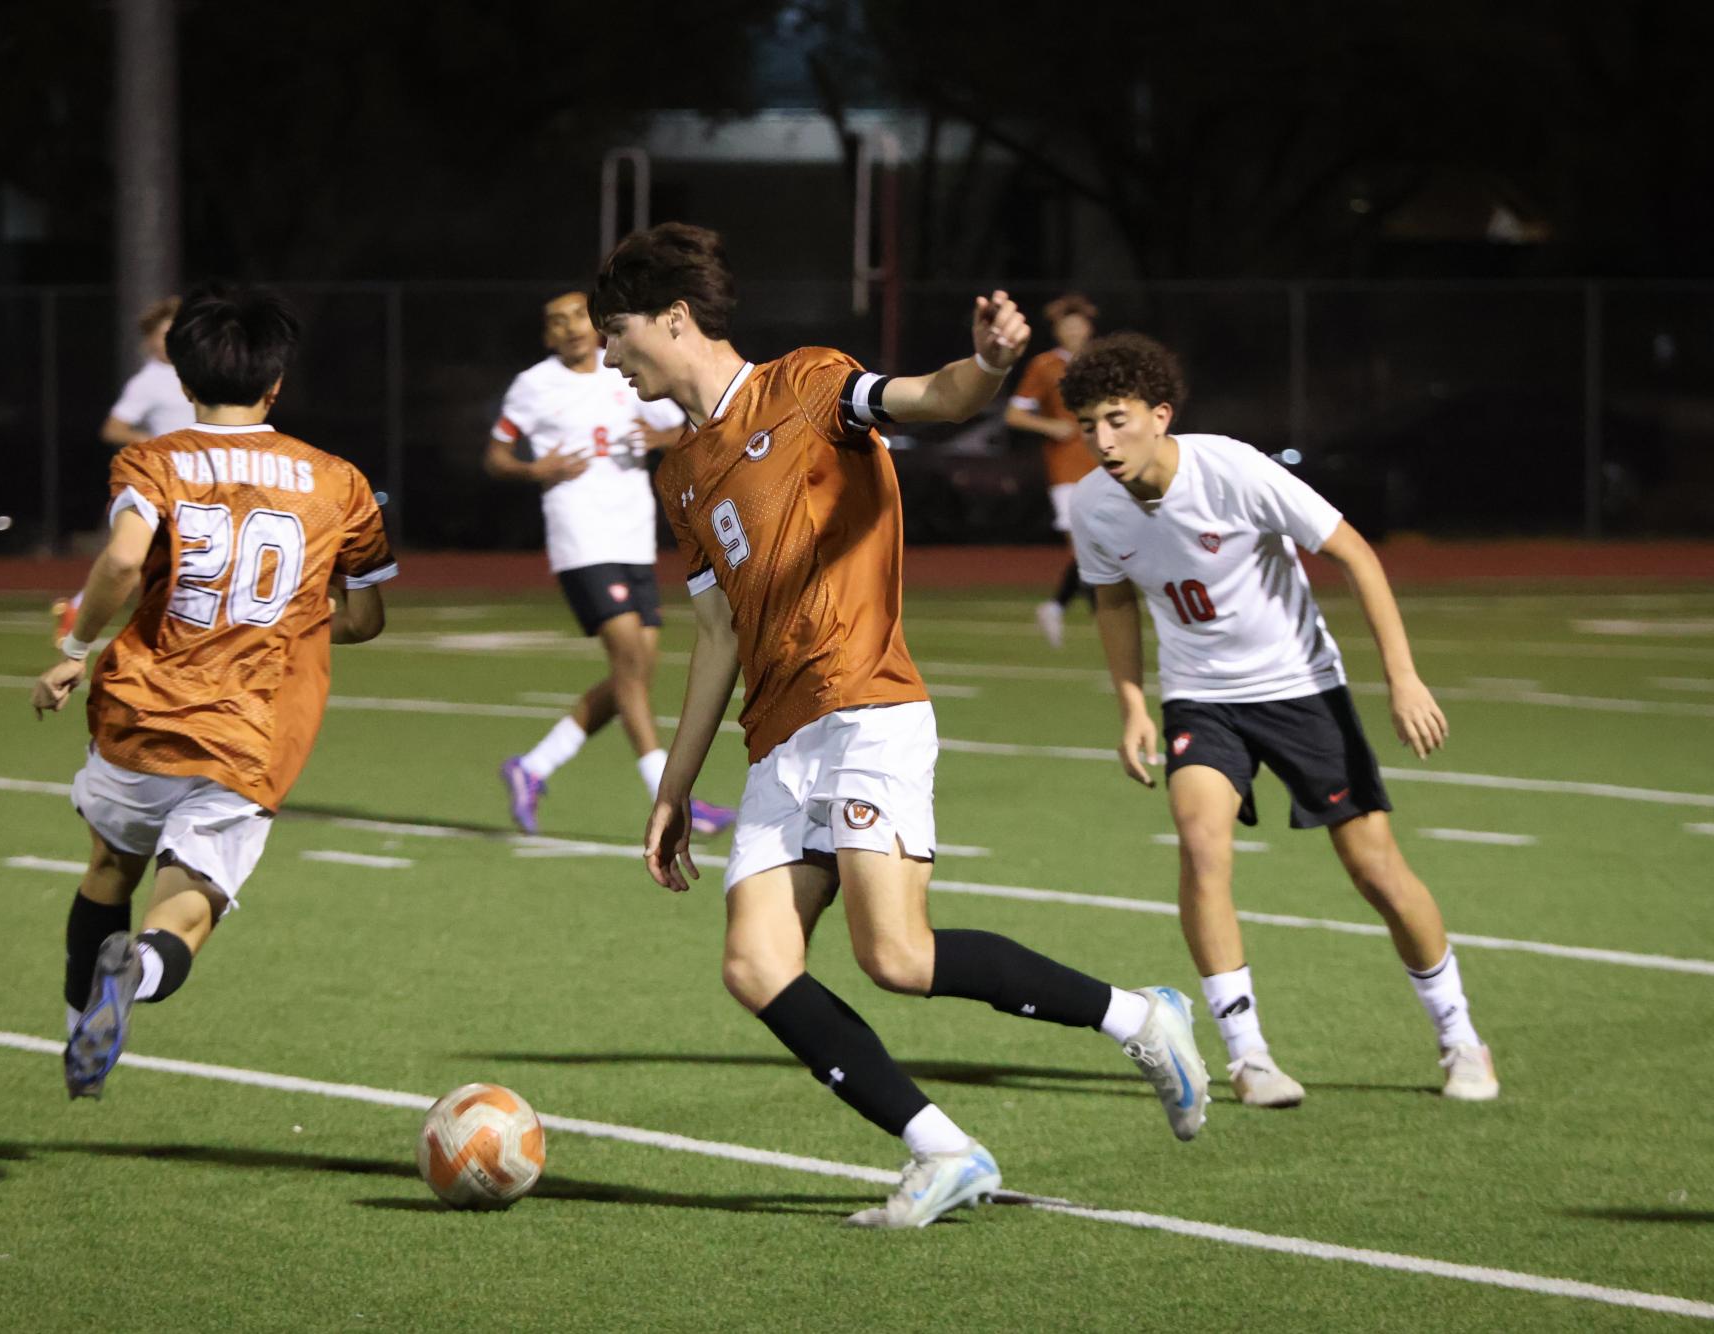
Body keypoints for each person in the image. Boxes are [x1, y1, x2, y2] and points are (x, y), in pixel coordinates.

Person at [597, 223, 1210, 1232]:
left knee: (899, 953)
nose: (611, 357)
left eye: (617, 332)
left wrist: (993, 363)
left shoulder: (807, 384)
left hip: (866, 706)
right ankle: (945, 1149)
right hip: (779, 737)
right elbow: (714, 634)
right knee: (755, 964)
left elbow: (932, 396)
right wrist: (674, 783)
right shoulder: (681, 473)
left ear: (673, 318)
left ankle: (1142, 1016)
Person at [1062, 332, 1498, 1108]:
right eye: (1088, 424)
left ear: (1159, 415)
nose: (1101, 441)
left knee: (1375, 871)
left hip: (1302, 691)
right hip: (1200, 699)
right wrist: (1131, 701)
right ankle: (1247, 1056)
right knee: (1201, 848)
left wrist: (1401, 677)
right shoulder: (1094, 505)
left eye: (1117, 420)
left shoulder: (1231, 469)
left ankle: (1460, 1038)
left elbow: (1356, 554)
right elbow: (1111, 598)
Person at [30, 282, 396, 1100]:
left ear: (183, 380)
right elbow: (366, 617)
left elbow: (123, 562)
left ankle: (76, 1016)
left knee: (107, 867)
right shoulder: (338, 481)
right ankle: (140, 975)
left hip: (139, 713)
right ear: (275, 384)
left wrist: (73, 647)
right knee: (185, 909)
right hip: (251, 732)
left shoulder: (152, 460)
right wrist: (293, 620)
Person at [488, 290, 734, 837]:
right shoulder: (534, 386)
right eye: (558, 321)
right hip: (581, 540)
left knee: (635, 673)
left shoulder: (623, 368)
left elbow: (687, 424)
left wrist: (662, 437)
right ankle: (670, 796)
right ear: (548, 335)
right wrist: (535, 468)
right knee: (629, 666)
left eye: (579, 316)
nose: (572, 327)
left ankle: (532, 767)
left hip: (633, 539)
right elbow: (497, 454)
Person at [52, 297, 197, 645]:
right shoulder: (148, 381)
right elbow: (113, 429)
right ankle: (79, 609)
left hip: (201, 476)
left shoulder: (195, 370)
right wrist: (151, 440)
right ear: (149, 340)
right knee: (135, 557)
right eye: (163, 334)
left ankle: (79, 608)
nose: (169, 341)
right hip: (169, 478)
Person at [1003, 294, 1101, 648]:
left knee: (1104, 545)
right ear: (1057, 330)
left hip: (1106, 466)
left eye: (1078, 324)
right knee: (1084, 548)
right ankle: (1098, 619)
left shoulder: (1102, 363)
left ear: (1089, 328)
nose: (1074, 331)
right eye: (1066, 325)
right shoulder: (1045, 366)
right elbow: (1014, 414)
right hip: (1067, 469)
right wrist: (1051, 427)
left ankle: (1057, 607)